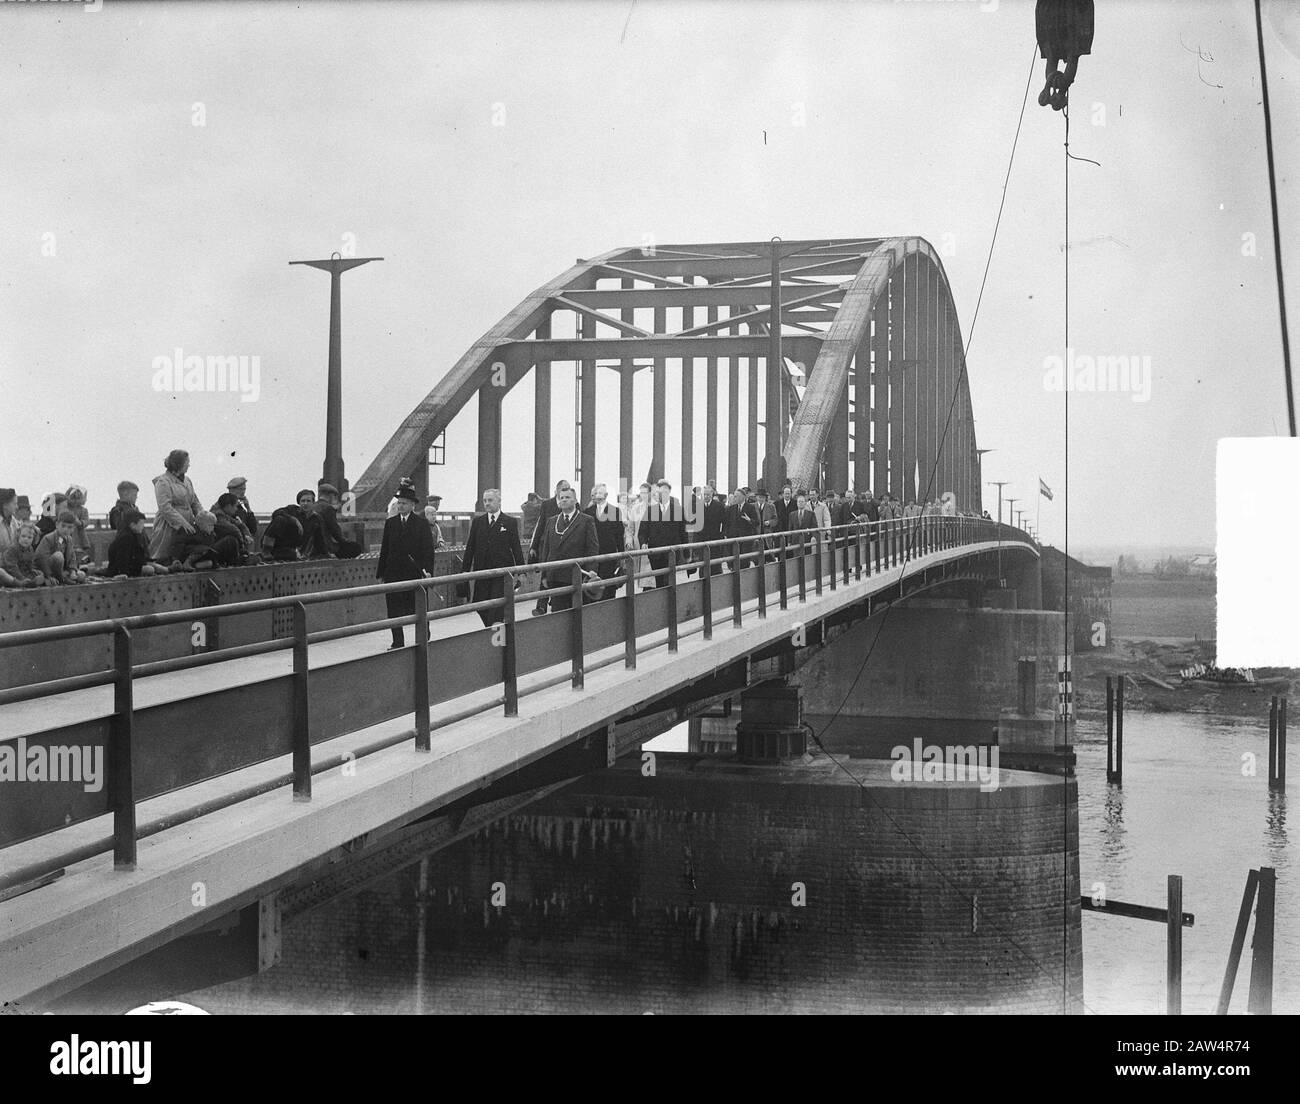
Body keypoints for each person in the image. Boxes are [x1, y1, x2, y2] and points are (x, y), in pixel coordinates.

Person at [376, 481, 436, 648]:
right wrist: (381, 573)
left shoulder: (422, 524)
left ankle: (424, 632)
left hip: (414, 572)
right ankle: (397, 641)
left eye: (403, 503)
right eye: (398, 503)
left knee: (417, 606)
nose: (400, 506)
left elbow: (428, 551)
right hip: (393, 572)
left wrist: (428, 571)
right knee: (394, 609)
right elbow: (384, 549)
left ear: (412, 505)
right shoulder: (391, 523)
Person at [460, 487, 523, 626]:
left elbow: (516, 547)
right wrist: (465, 570)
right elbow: (470, 547)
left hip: (502, 573)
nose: (487, 503)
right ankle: (492, 631)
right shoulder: (478, 522)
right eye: (484, 501)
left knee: (497, 609)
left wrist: (521, 571)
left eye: (490, 500)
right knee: (481, 606)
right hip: (482, 572)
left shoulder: (510, 522)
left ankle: (496, 642)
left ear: (499, 501)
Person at [534, 485, 599, 613]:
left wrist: (591, 571)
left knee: (578, 614)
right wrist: (544, 576)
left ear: (575, 501)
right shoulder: (552, 521)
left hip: (577, 575)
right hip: (556, 576)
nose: (564, 500)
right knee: (558, 614)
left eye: (568, 497)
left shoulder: (586, 520)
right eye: (561, 498)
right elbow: (546, 550)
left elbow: (593, 548)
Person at [149, 449, 201, 563]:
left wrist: (202, 516)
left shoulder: (187, 480)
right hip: (169, 526)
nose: (189, 465)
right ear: (179, 464)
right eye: (187, 462)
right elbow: (165, 507)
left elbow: (194, 501)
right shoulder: (163, 482)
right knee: (165, 556)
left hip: (188, 525)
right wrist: (182, 523)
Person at [527, 479, 571, 612]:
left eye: (568, 488)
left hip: (565, 547)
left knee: (558, 574)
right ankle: (541, 605)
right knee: (546, 573)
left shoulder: (574, 504)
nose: (565, 490)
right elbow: (540, 526)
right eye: (563, 488)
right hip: (548, 545)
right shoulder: (547, 504)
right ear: (556, 490)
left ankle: (554, 600)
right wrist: (533, 547)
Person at [639, 479, 686, 589]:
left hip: (672, 553)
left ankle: (670, 604)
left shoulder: (678, 510)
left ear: (669, 493)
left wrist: (687, 554)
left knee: (669, 582)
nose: (660, 495)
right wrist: (643, 543)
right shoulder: (650, 510)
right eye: (658, 493)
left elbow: (683, 533)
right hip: (656, 554)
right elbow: (643, 531)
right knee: (659, 582)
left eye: (663, 492)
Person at [583, 483, 626, 599]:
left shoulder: (615, 511)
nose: (598, 495)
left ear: (606, 495)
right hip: (592, 555)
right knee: (593, 586)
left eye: (600, 493)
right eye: (596, 493)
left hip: (609, 554)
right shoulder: (588, 512)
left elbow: (619, 535)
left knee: (608, 586)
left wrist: (621, 555)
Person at [302, 483, 362, 559]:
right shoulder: (328, 508)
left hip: (309, 548)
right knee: (356, 548)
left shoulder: (313, 507)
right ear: (331, 495)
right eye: (334, 496)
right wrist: (345, 542)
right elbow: (335, 530)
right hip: (325, 547)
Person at [107, 510, 164, 577]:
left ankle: (169, 569)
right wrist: (123, 573)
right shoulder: (126, 538)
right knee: (150, 569)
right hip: (123, 570)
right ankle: (169, 569)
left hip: (132, 566)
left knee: (152, 565)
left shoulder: (134, 535)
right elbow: (122, 559)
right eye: (141, 524)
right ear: (133, 525)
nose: (143, 527)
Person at [34, 511, 87, 584]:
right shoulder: (48, 538)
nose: (66, 529)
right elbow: (41, 558)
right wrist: (49, 575)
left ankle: (64, 576)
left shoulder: (69, 540)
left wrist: (73, 571)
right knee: (58, 556)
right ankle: (61, 579)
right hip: (46, 570)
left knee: (81, 575)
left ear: (73, 529)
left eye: (69, 527)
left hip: (63, 570)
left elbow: (72, 558)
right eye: (63, 526)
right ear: (57, 525)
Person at [261, 491, 313, 561]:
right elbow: (276, 513)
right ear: (299, 502)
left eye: (308, 501)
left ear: (313, 503)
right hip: (277, 545)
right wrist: (294, 520)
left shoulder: (315, 518)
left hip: (291, 549)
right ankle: (266, 551)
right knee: (280, 519)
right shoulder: (292, 509)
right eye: (303, 501)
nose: (305, 504)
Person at [1, 521, 49, 587]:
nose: (26, 539)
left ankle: (31, 582)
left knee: (39, 575)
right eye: (23, 536)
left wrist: (35, 572)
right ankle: (21, 583)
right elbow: (12, 567)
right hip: (11, 574)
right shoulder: (13, 549)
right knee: (3, 573)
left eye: (29, 537)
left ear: (33, 539)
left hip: (22, 573)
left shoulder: (30, 549)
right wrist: (22, 578)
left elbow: (29, 566)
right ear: (18, 536)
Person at [624, 482, 651, 590]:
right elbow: (630, 528)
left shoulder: (656, 507)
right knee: (640, 575)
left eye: (645, 492)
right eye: (641, 493)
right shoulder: (636, 508)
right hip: (637, 544)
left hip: (649, 544)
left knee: (649, 575)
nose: (643, 495)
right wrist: (629, 541)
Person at [213, 493, 256, 561]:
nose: (236, 509)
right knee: (231, 540)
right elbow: (233, 530)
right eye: (235, 506)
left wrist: (242, 527)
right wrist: (244, 539)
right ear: (229, 506)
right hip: (218, 550)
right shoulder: (218, 516)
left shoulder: (225, 514)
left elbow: (245, 527)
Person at [694, 483, 725, 576]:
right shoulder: (698, 506)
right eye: (705, 495)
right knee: (703, 564)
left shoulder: (719, 506)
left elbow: (724, 521)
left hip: (715, 539)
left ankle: (716, 582)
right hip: (702, 539)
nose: (706, 496)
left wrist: (721, 535)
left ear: (712, 494)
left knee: (715, 564)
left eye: (708, 494)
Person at [225, 477, 258, 543]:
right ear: (232, 490)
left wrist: (248, 509)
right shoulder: (226, 506)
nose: (243, 492)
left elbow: (253, 529)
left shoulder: (241, 508)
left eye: (244, 489)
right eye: (240, 489)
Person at [0, 488, 19, 558]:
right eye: (14, 504)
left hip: (11, 563)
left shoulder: (14, 522)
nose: (17, 507)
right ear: (5, 505)